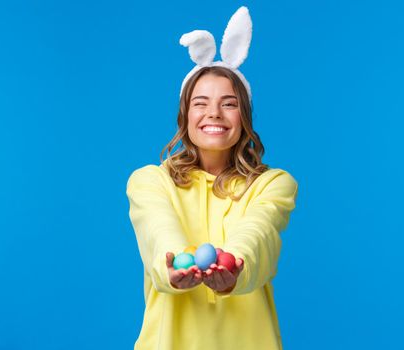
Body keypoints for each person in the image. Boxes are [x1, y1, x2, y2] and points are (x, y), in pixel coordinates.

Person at [125, 7, 298, 350]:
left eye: (229, 103)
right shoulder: (149, 182)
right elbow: (160, 233)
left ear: (244, 116)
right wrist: (175, 264)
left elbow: (257, 234)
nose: (214, 113)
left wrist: (233, 266)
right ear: (185, 116)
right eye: (200, 103)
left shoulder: (274, 184)